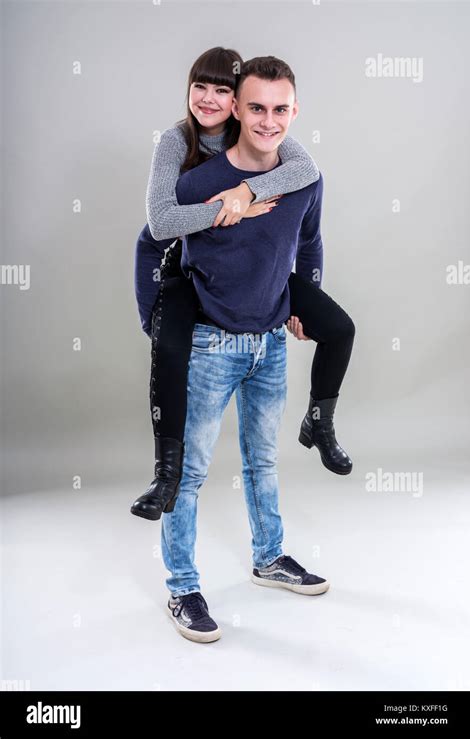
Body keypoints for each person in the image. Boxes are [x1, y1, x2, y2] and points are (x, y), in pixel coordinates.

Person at [146, 55, 353, 643]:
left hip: (269, 344)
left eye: (280, 109)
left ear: (295, 111)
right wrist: (155, 319)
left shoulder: (303, 176)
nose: (268, 120)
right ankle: (181, 588)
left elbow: (309, 246)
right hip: (211, 345)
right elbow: (158, 242)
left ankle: (270, 559)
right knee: (188, 474)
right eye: (256, 107)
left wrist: (301, 301)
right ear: (236, 108)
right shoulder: (193, 185)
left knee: (263, 463)